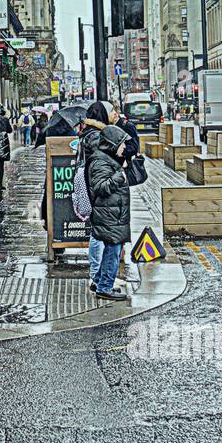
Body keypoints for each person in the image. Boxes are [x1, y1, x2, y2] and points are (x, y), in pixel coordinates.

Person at [80, 101, 131, 302]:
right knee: (113, 248)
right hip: (108, 213)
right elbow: (100, 187)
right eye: (122, 144)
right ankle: (104, 286)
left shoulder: (107, 158)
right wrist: (120, 175)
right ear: (112, 144)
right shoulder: (100, 160)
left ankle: (101, 281)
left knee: (113, 247)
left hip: (113, 213)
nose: (125, 147)